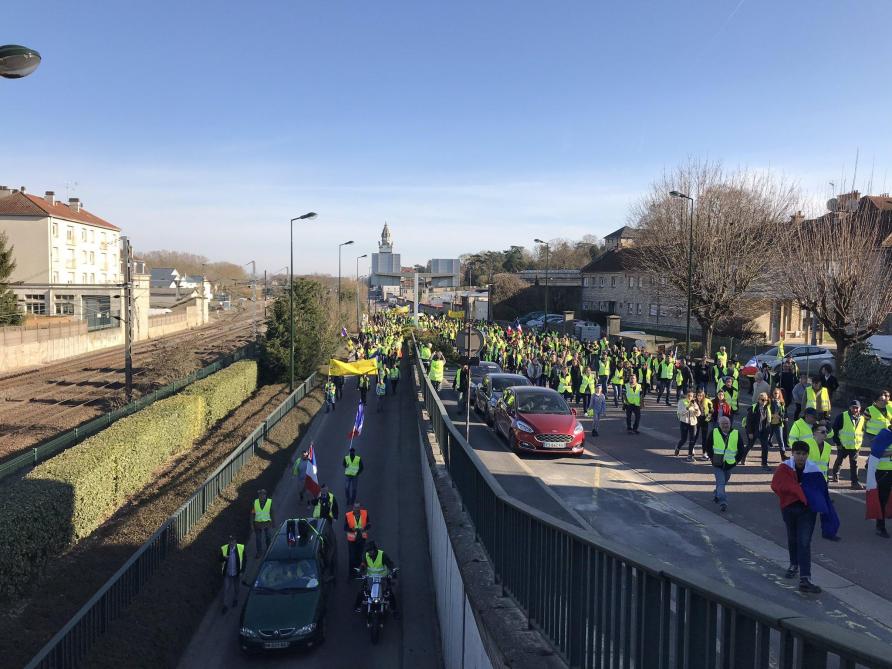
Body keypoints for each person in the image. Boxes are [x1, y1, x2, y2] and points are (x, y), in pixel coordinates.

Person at [770, 441, 824, 594]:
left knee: (804, 541)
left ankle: (805, 579)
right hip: (789, 508)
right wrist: (796, 491)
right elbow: (776, 485)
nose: (801, 457)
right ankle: (794, 564)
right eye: (798, 453)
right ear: (792, 454)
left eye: (804, 454)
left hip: (807, 510)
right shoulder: (784, 467)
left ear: (807, 455)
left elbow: (819, 488)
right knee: (793, 538)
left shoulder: (813, 468)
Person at [705, 416, 742, 512]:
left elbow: (741, 448)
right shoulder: (714, 432)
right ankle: (723, 502)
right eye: (723, 424)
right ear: (719, 425)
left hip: (730, 463)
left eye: (727, 423)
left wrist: (737, 460)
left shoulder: (736, 433)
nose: (726, 425)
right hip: (718, 463)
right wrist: (712, 458)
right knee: (721, 482)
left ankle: (717, 493)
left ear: (730, 424)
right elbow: (708, 446)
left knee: (725, 480)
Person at [354, 541, 400, 618]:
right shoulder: (366, 556)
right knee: (362, 591)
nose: (370, 552)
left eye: (371, 550)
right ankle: (357, 606)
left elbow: (390, 564)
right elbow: (363, 564)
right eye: (368, 551)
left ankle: (394, 610)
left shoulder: (382, 555)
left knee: (389, 593)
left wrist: (393, 570)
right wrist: (360, 570)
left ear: (375, 549)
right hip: (370, 578)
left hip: (383, 577)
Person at [830, 400, 865, 489]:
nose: (855, 409)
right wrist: (838, 443)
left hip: (855, 446)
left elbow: (862, 431)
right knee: (839, 460)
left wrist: (860, 444)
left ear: (860, 408)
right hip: (843, 445)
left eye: (857, 408)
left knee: (854, 465)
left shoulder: (862, 418)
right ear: (850, 407)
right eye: (853, 407)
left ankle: (855, 482)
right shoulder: (842, 416)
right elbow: (834, 430)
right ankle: (835, 473)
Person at [866, 426, 892, 538]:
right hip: (884, 472)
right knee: (882, 500)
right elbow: (877, 453)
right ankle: (880, 527)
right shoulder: (884, 434)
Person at [745, 392, 774, 470]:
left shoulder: (767, 408)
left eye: (766, 400)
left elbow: (768, 422)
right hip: (754, 431)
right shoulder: (753, 408)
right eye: (762, 400)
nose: (764, 401)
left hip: (763, 431)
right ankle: (743, 457)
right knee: (750, 445)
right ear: (759, 400)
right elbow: (749, 422)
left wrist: (768, 433)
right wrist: (750, 432)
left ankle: (764, 463)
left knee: (765, 447)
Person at [219, 535, 245, 613]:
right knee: (226, 589)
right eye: (230, 541)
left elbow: (244, 561)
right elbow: (219, 559)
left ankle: (235, 599)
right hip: (227, 573)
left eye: (233, 541)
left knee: (236, 588)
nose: (231, 543)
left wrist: (242, 571)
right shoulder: (224, 549)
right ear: (228, 542)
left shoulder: (241, 548)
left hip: (236, 573)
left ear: (236, 542)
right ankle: (225, 605)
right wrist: (224, 558)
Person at [344, 501, 370, 578]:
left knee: (359, 557)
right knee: (352, 557)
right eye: (355, 507)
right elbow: (345, 527)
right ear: (353, 508)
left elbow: (369, 525)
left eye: (358, 507)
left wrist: (364, 528)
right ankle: (351, 574)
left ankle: (359, 572)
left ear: (360, 508)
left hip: (361, 539)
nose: (357, 509)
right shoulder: (348, 515)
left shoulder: (365, 514)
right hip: (352, 540)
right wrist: (352, 529)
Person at [674, 390, 701, 461]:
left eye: (691, 396)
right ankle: (678, 447)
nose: (690, 397)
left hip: (693, 423)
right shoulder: (681, 402)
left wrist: (696, 410)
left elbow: (698, 414)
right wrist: (688, 407)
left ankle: (690, 455)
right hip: (684, 422)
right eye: (688, 396)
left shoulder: (694, 403)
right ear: (686, 396)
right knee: (684, 439)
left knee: (692, 439)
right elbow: (680, 412)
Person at [251, 489, 274, 558]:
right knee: (258, 539)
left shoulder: (269, 502)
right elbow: (252, 514)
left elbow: (272, 512)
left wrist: (273, 522)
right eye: (260, 495)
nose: (261, 496)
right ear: (258, 496)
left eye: (263, 495)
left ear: (265, 496)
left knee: (268, 537)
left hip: (267, 523)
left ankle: (269, 551)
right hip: (257, 524)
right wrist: (252, 524)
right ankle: (259, 552)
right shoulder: (255, 503)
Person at [768, 387, 788, 460]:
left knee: (780, 440)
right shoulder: (769, 401)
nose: (776, 395)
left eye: (777, 393)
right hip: (770, 423)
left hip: (778, 423)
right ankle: (764, 455)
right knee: (768, 439)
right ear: (772, 394)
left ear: (780, 394)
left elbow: (784, 412)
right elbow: (766, 412)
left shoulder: (782, 402)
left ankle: (783, 456)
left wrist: (784, 417)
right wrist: (773, 415)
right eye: (775, 393)